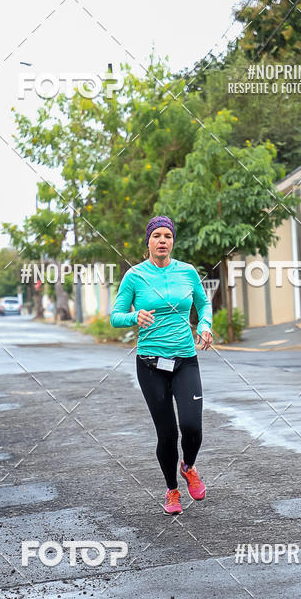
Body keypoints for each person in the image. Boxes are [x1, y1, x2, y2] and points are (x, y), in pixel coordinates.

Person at [110, 215, 213, 516]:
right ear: (149, 242)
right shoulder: (135, 276)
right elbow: (116, 316)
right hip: (150, 364)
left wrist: (205, 325)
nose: (162, 241)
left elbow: (203, 304)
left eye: (167, 236)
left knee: (192, 427)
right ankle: (172, 490)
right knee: (167, 434)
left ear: (173, 241)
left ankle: (189, 466)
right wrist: (134, 317)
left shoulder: (188, 272)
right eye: (157, 236)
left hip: (185, 360)